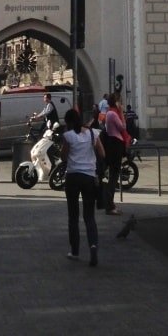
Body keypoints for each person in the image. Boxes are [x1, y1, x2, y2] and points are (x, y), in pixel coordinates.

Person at [60, 107, 103, 267]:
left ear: (69, 122)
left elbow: (63, 156)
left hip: (72, 177)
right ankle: (93, 246)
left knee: (73, 216)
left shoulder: (68, 136)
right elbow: (102, 154)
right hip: (89, 177)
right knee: (89, 216)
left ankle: (75, 251)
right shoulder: (93, 133)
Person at [102, 94, 129, 216]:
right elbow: (123, 127)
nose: (121, 104)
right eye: (120, 101)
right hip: (115, 145)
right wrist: (122, 113)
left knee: (113, 176)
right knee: (113, 177)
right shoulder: (112, 114)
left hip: (113, 144)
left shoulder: (109, 113)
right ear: (116, 102)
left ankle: (109, 203)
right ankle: (110, 205)